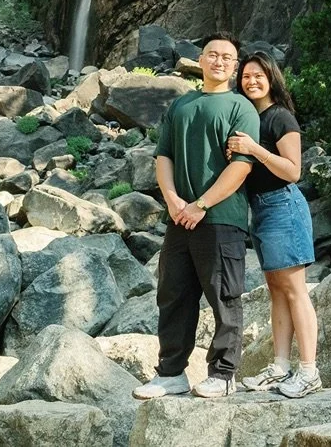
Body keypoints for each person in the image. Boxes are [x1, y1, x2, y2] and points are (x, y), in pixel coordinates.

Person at [132, 32, 261, 400]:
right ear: (200, 61)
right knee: (173, 295)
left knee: (224, 296)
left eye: (226, 57)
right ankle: (171, 373)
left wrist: (200, 204)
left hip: (221, 218)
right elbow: (164, 157)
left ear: (234, 67)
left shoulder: (241, 108)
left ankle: (223, 374)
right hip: (179, 218)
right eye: (212, 55)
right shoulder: (181, 106)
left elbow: (241, 166)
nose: (218, 61)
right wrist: (173, 200)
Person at [226, 52, 321, 398]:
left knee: (295, 290)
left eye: (258, 76)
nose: (251, 81)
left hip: (283, 205)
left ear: (271, 79)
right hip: (260, 210)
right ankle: (280, 367)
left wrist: (254, 149)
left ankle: (309, 371)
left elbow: (293, 171)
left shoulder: (280, 117)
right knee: (277, 290)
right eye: (246, 76)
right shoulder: (249, 118)